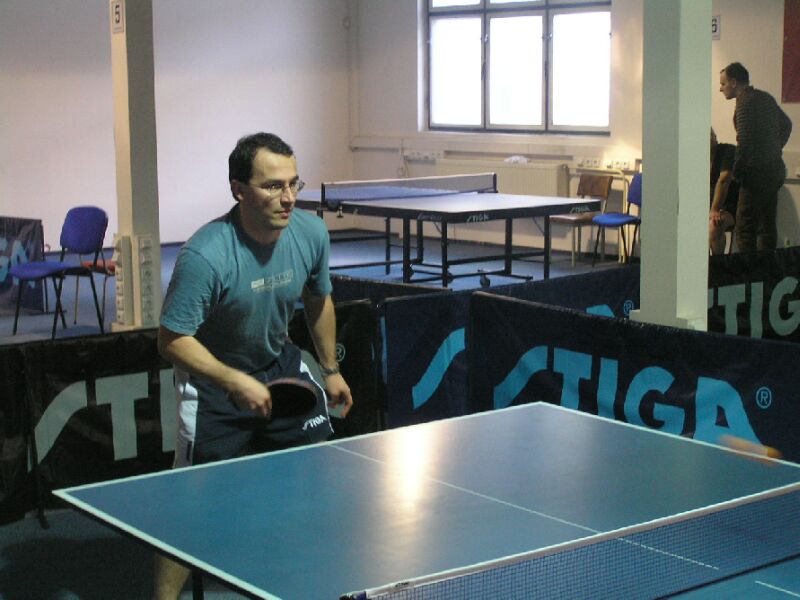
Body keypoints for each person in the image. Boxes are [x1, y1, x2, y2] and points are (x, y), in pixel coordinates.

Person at [153, 132, 352, 599]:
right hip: (213, 379)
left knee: (313, 470)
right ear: (238, 189)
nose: (288, 198)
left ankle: (296, 579)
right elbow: (172, 339)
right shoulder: (206, 255)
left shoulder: (310, 234)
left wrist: (330, 369)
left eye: (293, 183)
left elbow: (318, 298)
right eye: (272, 186)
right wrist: (233, 380)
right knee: (192, 502)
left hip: (277, 363)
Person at [719, 62, 792, 252]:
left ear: (734, 82)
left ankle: (749, 270)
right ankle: (766, 269)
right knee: (767, 227)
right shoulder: (765, 97)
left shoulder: (744, 102)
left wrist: (737, 173)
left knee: (745, 229)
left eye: (723, 83)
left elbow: (744, 142)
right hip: (773, 171)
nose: (721, 88)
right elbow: (787, 124)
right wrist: (774, 149)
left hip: (755, 175)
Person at [709, 128, 739, 254]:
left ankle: (718, 263)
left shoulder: (728, 151)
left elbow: (724, 179)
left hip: (729, 207)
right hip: (707, 208)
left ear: (715, 137)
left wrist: (714, 209)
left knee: (714, 225)